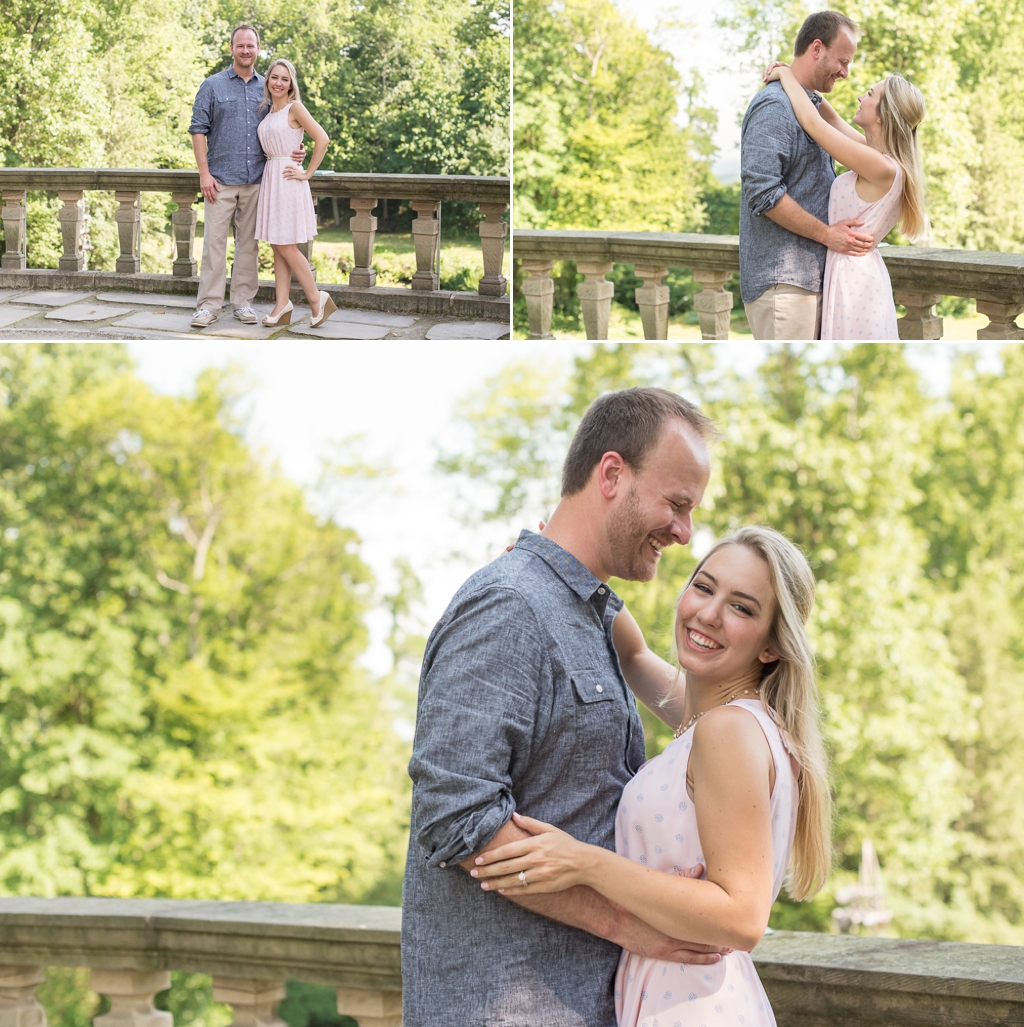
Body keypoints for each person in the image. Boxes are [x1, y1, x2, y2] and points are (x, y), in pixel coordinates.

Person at [403, 388, 723, 1027]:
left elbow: (709, 724)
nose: (685, 533)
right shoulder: (510, 607)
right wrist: (631, 923)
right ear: (611, 474)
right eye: (677, 504)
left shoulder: (587, 616)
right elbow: (456, 816)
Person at [471, 525, 833, 1027]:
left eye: (742, 608)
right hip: (683, 996)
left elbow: (743, 918)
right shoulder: (725, 718)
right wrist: (557, 564)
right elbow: (636, 655)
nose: (708, 613)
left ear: (772, 646)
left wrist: (584, 864)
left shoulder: (727, 730)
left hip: (692, 1006)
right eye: (704, 587)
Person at [763, 63, 926, 339]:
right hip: (851, 272)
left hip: (856, 282)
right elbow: (832, 121)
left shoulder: (882, 167)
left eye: (870, 94)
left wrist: (786, 75)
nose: (861, 97)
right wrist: (804, 81)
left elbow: (813, 124)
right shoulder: (876, 157)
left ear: (883, 116)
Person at [740, 11, 875, 340]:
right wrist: (828, 234)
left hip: (809, 281)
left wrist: (787, 74)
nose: (845, 73)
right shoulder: (774, 107)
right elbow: (762, 193)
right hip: (784, 286)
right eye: (842, 61)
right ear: (817, 49)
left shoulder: (809, 106)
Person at [187, 24, 305, 329]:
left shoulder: (266, 88)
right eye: (240, 46)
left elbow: (284, 124)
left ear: (257, 49)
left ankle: (242, 303)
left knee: (248, 247)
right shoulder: (211, 85)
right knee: (214, 245)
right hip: (219, 181)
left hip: (257, 181)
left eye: (251, 46)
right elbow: (198, 130)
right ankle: (208, 307)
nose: (245, 51)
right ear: (231, 49)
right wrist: (204, 174)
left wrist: (297, 149)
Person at [254, 59, 336, 329]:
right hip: (271, 177)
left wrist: (308, 172)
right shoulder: (268, 112)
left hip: (289, 180)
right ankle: (282, 304)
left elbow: (322, 139)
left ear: (291, 85)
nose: (278, 82)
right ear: (268, 80)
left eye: (285, 79)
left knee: (286, 245)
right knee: (277, 244)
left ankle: (317, 299)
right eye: (274, 77)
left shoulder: (295, 107)